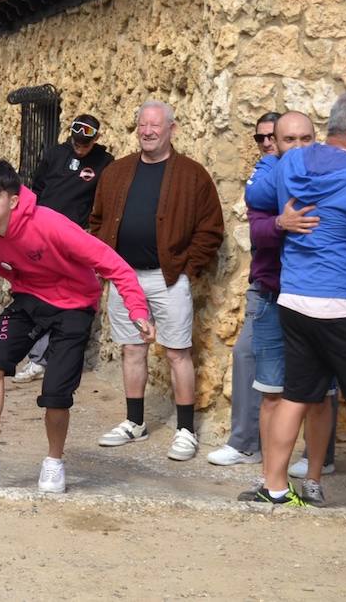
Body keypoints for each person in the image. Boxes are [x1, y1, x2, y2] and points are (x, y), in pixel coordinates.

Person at [244, 91, 346, 508]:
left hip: (294, 299)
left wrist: (283, 215)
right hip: (342, 302)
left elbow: (257, 196)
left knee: (296, 394)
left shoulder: (291, 161)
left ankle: (275, 488)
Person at [0, 159, 153, 492]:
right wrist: (25, 283)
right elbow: (4, 266)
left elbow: (114, 265)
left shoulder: (51, 226)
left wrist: (137, 310)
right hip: (30, 299)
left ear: (14, 200)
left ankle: (53, 462)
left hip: (76, 304)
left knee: (55, 393)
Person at [89, 100, 224, 460]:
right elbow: (98, 220)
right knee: (132, 349)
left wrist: (187, 267)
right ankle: (135, 422)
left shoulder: (192, 175)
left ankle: (184, 430)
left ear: (171, 129)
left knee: (178, 351)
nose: (148, 132)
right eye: (142, 126)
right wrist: (106, 262)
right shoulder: (116, 173)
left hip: (169, 278)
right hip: (124, 278)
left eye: (155, 126)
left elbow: (210, 229)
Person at [233, 112, 338, 503]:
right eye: (288, 139)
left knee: (321, 393)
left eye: (305, 139)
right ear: (274, 143)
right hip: (273, 294)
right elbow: (257, 232)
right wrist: (281, 222)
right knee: (272, 391)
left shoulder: (329, 175)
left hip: (317, 295)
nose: (297, 147)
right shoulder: (264, 179)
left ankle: (313, 478)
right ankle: (271, 480)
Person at [16, 112, 115, 383]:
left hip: (74, 238)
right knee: (39, 295)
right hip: (41, 235)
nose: (80, 147)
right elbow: (36, 188)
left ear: (96, 140)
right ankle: (35, 357)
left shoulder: (105, 163)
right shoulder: (54, 154)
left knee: (68, 297)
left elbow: (105, 201)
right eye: (76, 142)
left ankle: (48, 359)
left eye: (85, 144)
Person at [207, 111, 280, 467]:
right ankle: (246, 442)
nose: (266, 143)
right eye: (260, 138)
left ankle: (319, 454)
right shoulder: (262, 177)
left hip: (304, 287)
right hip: (266, 285)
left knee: (317, 370)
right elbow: (260, 230)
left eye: (272, 136)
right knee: (245, 355)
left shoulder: (304, 174)